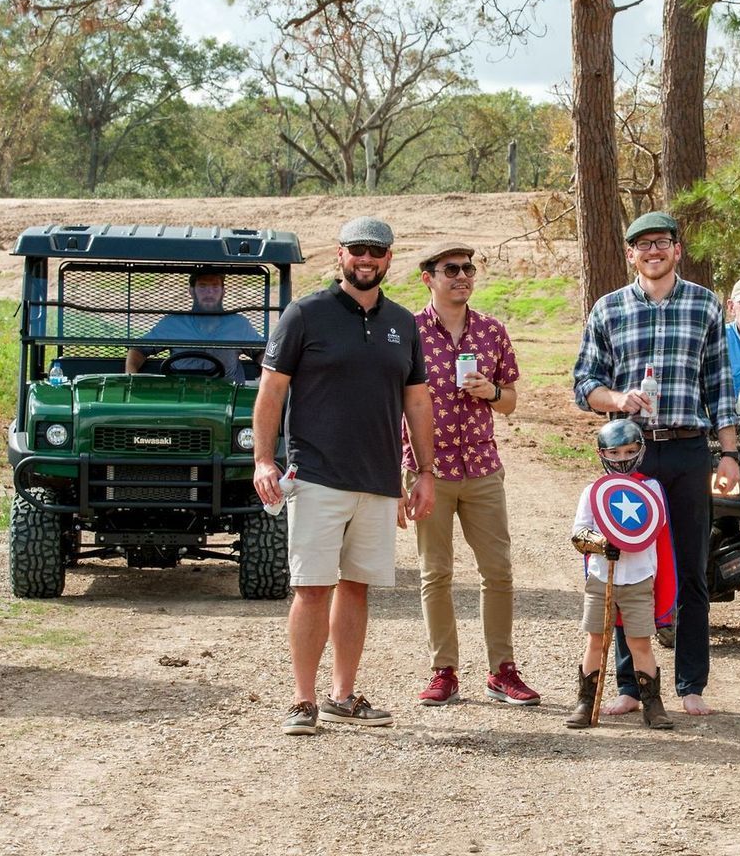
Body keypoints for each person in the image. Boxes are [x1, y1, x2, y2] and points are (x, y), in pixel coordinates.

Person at [253, 216, 437, 737]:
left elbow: (417, 400)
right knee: (312, 587)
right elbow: (271, 390)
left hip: (379, 482)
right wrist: (264, 459)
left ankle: (342, 695)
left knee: (356, 588)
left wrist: (424, 472)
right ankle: (302, 701)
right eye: (357, 250)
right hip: (316, 476)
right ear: (339, 255)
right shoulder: (304, 314)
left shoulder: (404, 323)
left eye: (376, 252)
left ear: (389, 260)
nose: (366, 259)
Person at [572, 210, 740, 717]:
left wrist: (728, 453)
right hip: (630, 455)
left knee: (690, 568)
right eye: (642, 245)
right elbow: (583, 384)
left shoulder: (705, 305)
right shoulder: (608, 309)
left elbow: (721, 387)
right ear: (630, 254)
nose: (653, 251)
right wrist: (618, 399)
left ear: (676, 249)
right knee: (624, 567)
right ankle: (631, 686)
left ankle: (691, 684)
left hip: (688, 449)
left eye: (662, 242)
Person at [402, 241, 539, 708]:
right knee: (435, 572)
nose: (462, 276)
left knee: (497, 570)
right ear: (429, 278)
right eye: (451, 269)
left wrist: (491, 390)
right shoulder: (408, 331)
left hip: (481, 466)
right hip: (429, 468)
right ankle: (444, 671)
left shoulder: (492, 331)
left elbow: (512, 401)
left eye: (468, 269)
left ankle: (502, 670)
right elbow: (390, 403)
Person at [565, 420, 674, 730]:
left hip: (639, 579)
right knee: (595, 641)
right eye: (613, 452)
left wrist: (624, 537)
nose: (621, 458)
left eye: (629, 450)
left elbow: (652, 527)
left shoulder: (651, 489)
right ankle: (586, 701)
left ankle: (652, 705)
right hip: (602, 579)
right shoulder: (592, 491)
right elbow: (579, 534)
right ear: (603, 453)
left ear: (641, 450)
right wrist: (602, 543)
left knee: (640, 643)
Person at [126, 270, 264, 384]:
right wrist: (130, 378)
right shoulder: (173, 323)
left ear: (223, 292)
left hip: (225, 396)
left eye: (215, 287)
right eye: (202, 287)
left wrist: (265, 379)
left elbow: (262, 353)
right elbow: (138, 350)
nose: (209, 293)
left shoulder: (238, 325)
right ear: (192, 291)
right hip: (182, 395)